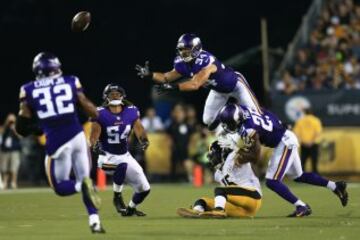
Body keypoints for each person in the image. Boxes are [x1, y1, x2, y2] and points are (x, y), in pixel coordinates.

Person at [16, 52, 105, 233]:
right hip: (77, 136)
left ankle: (83, 191)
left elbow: (21, 128)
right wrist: (95, 113)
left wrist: (36, 128)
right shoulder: (71, 80)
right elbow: (92, 111)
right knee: (85, 179)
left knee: (61, 187)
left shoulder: (28, 89)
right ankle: (94, 220)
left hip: (57, 141)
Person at [217, 103, 348, 217]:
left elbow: (256, 156)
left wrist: (239, 157)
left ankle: (301, 206)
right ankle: (335, 186)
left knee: (272, 181)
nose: (227, 126)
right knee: (299, 176)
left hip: (283, 142)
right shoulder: (245, 108)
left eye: (230, 123)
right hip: (285, 136)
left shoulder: (250, 128)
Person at [135, 33, 261, 130]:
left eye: (186, 49)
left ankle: (238, 113)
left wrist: (174, 87)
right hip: (218, 90)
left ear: (196, 49)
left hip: (236, 85)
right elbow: (166, 77)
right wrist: (150, 75)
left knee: (257, 115)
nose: (182, 52)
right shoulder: (181, 63)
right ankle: (230, 130)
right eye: (181, 49)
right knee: (208, 120)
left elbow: (195, 84)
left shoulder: (206, 60)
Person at [90, 83, 151, 217]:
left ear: (123, 96)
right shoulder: (100, 113)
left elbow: (139, 128)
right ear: (106, 97)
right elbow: (93, 136)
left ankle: (130, 209)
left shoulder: (131, 111)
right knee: (121, 166)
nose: (115, 96)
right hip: (106, 157)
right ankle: (117, 197)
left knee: (144, 189)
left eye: (117, 94)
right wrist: (94, 145)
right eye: (112, 95)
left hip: (125, 155)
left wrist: (144, 140)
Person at [177, 140, 262, 218]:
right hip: (240, 208)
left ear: (222, 153)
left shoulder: (234, 157)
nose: (212, 159)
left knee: (220, 190)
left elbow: (250, 150)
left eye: (214, 155)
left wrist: (236, 147)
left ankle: (219, 210)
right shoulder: (218, 174)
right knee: (202, 201)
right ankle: (197, 211)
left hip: (253, 197)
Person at [166, 104, 194, 182]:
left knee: (187, 162)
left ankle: (190, 177)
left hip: (185, 148)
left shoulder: (188, 125)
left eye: (181, 113)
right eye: (177, 113)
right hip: (175, 148)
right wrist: (170, 144)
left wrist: (191, 145)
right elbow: (169, 136)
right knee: (174, 163)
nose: (179, 115)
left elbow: (192, 136)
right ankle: (172, 179)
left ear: (184, 114)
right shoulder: (172, 125)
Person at [293, 108, 323, 173]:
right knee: (314, 161)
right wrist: (312, 142)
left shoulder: (300, 121)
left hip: (304, 144)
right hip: (314, 144)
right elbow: (318, 132)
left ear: (304, 113)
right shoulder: (316, 120)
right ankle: (315, 176)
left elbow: (296, 133)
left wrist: (302, 141)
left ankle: (301, 176)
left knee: (303, 161)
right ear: (312, 113)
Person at [1, 114, 22, 189]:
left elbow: (20, 136)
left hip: (14, 150)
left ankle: (14, 183)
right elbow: (1, 133)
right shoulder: (5, 127)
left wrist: (14, 128)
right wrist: (6, 124)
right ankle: (5, 183)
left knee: (14, 168)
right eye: (9, 120)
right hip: (5, 150)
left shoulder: (17, 127)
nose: (11, 122)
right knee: (4, 167)